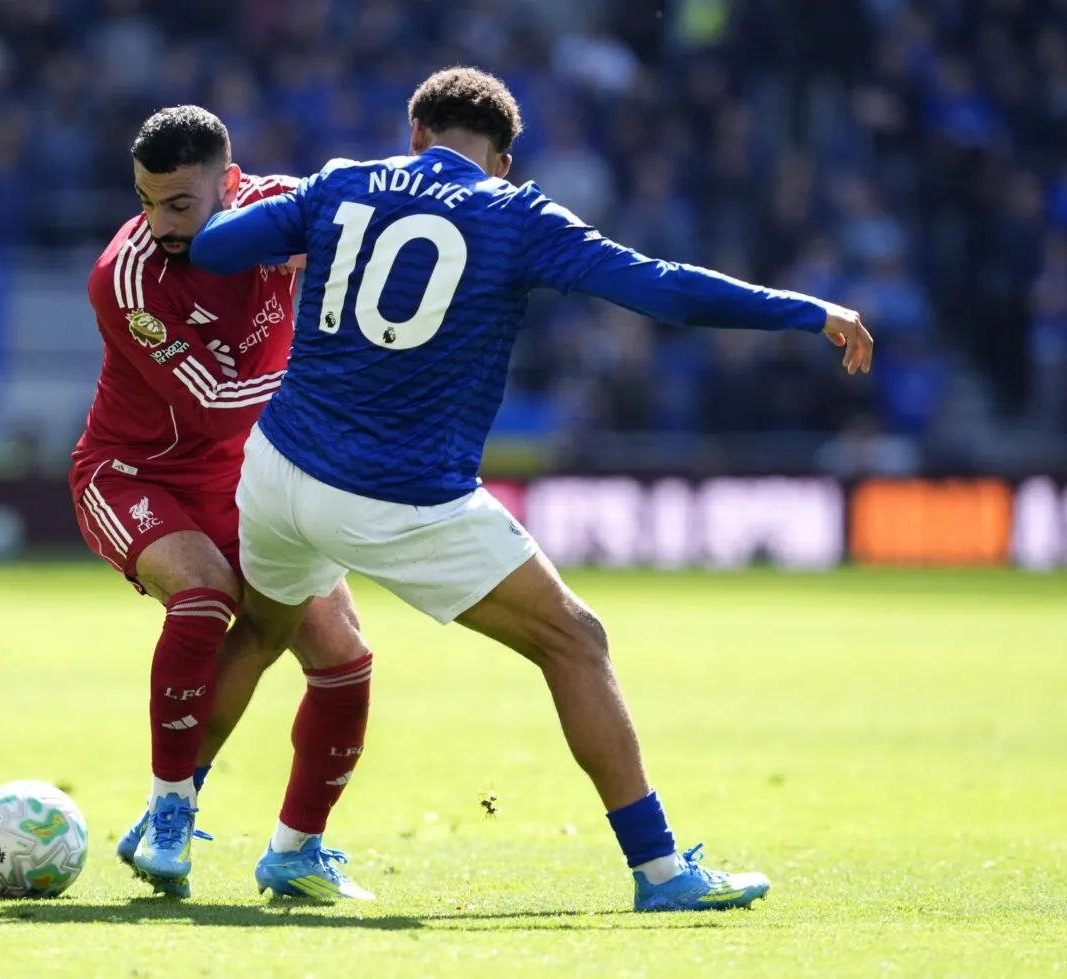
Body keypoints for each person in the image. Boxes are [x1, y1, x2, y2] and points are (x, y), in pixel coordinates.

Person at [189, 67, 875, 912]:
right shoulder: (516, 214)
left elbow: (213, 247)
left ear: (416, 134)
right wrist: (805, 309)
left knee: (260, 632)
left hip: (279, 466)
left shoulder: (341, 182)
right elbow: (664, 290)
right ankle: (661, 871)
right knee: (575, 640)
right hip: (397, 492)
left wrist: (285, 222)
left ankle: (171, 815)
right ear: (502, 160)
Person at [72, 105, 373, 900]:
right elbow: (213, 403)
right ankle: (171, 809)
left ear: (230, 183)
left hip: (247, 481)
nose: (160, 225)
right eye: (146, 202)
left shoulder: (283, 207)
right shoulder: (126, 276)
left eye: (179, 204)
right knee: (205, 597)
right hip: (134, 475)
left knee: (343, 657)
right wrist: (334, 386)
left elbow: (367, 213)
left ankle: (297, 849)